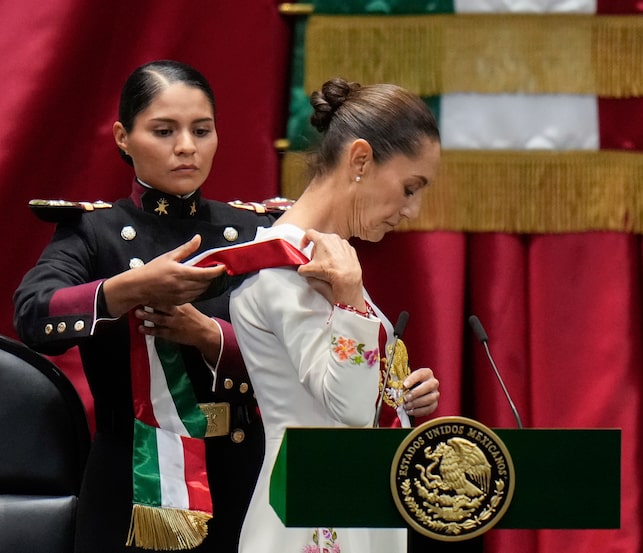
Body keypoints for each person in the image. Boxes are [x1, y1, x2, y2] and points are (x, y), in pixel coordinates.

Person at [13, 60, 280, 552]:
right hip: (131, 480)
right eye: (164, 130)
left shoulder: (254, 232)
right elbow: (33, 314)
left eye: (202, 130)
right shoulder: (96, 232)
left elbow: (297, 350)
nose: (187, 146)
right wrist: (131, 287)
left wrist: (208, 335)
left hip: (244, 471)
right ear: (122, 137)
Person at [229, 77, 442, 552]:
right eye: (410, 188)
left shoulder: (327, 259)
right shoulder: (279, 267)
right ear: (361, 160)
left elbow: (358, 401)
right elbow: (345, 409)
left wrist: (401, 398)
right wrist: (349, 299)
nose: (413, 209)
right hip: (307, 515)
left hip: (354, 503)